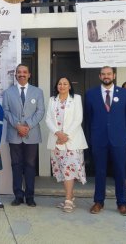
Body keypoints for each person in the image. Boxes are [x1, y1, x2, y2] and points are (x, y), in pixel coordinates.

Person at [85, 66, 126, 216]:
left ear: (114, 75)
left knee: (120, 171)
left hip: (119, 139)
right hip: (99, 139)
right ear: (100, 76)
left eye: (109, 74)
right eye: (103, 74)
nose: (106, 76)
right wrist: (90, 138)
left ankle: (122, 203)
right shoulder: (91, 94)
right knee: (99, 171)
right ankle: (98, 202)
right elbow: (88, 118)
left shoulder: (124, 93)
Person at [2, 64, 45, 207]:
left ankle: (30, 196)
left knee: (30, 165)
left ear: (29, 74)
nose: (22, 74)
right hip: (14, 133)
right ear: (15, 75)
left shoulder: (37, 92)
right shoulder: (8, 92)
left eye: (24, 72)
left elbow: (40, 111)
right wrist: (18, 126)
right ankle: (18, 196)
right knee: (16, 165)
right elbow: (6, 111)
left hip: (31, 134)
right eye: (19, 72)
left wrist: (27, 125)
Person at [45, 77, 87, 213]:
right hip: (56, 141)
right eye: (60, 84)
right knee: (63, 170)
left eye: (65, 84)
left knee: (70, 170)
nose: (62, 86)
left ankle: (68, 200)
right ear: (57, 86)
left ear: (70, 86)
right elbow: (48, 119)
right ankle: (71, 196)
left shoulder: (76, 98)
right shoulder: (52, 100)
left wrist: (65, 135)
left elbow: (78, 119)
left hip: (72, 140)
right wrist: (58, 133)